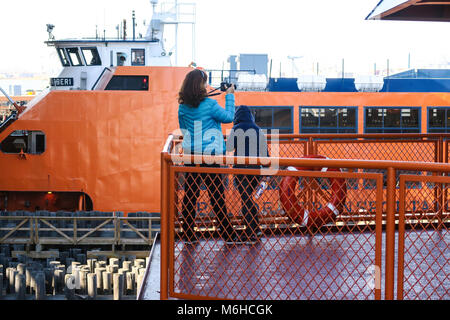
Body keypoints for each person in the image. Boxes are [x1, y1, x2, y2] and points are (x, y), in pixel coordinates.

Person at [178, 68, 236, 243]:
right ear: (201, 85)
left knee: (190, 194)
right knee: (216, 195)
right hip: (210, 156)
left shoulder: (182, 106)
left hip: (192, 156)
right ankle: (229, 235)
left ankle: (188, 234)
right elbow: (229, 117)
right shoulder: (210, 105)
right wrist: (230, 95)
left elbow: (184, 129)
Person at [227, 105, 269, 244]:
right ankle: (255, 229)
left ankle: (251, 233)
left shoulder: (236, 128)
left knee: (246, 199)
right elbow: (265, 154)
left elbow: (229, 147)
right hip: (255, 170)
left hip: (241, 169)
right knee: (249, 198)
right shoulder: (258, 129)